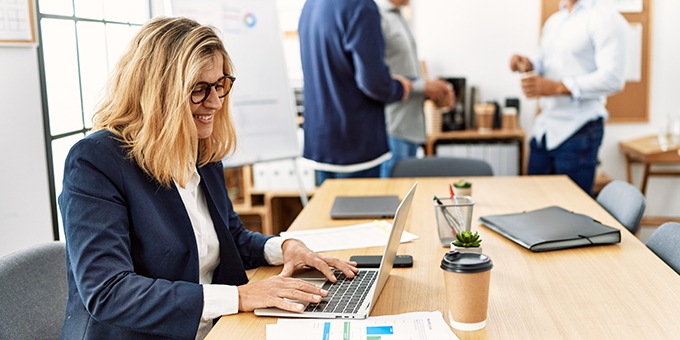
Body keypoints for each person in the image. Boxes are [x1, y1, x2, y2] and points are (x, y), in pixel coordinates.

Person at [58, 17, 358, 340]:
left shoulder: (201, 150)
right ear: (157, 94)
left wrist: (283, 247)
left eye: (220, 85)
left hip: (217, 328)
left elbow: (230, 237)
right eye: (199, 90)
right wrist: (239, 297)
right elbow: (109, 291)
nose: (215, 102)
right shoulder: (95, 162)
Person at [510, 0, 627, 195]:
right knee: (532, 205)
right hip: (544, 131)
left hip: (579, 131)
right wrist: (529, 65)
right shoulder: (555, 21)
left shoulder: (604, 18)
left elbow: (613, 78)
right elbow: (548, 64)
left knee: (572, 215)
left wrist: (557, 87)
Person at [298, 0, 413, 185]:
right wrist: (399, 88)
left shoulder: (311, 5)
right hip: (354, 144)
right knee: (363, 213)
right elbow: (372, 82)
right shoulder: (361, 6)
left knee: (327, 211)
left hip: (320, 140)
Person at [375, 0, 455, 178]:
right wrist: (424, 87)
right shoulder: (378, 17)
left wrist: (432, 87)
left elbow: (403, 72)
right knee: (393, 198)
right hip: (394, 127)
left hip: (411, 127)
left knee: (407, 195)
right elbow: (377, 79)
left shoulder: (401, 17)